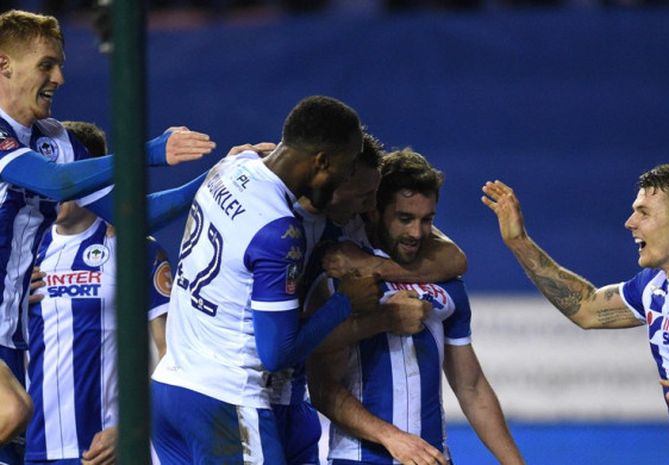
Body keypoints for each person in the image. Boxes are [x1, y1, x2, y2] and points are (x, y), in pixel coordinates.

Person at [0, 9, 214, 453]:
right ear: (4, 65)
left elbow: (131, 214)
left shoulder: (54, 140)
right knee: (13, 412)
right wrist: (149, 152)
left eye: (60, 64)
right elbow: (55, 184)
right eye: (46, 64)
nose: (59, 77)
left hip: (9, 332)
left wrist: (213, 182)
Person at [150, 95, 381, 465]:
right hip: (226, 399)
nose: (348, 176)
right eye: (347, 167)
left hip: (173, 390)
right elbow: (276, 353)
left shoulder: (234, 165)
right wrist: (345, 303)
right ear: (321, 161)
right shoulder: (278, 228)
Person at [307, 149, 524, 465]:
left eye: (427, 220)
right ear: (373, 211)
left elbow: (472, 387)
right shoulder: (341, 277)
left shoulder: (445, 282)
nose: (416, 233)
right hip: (359, 459)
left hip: (433, 458)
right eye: (404, 218)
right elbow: (324, 388)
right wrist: (393, 439)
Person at [480, 162, 669, 465]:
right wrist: (519, 243)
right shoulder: (653, 287)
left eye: (644, 212)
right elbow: (586, 308)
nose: (630, 222)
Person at [273, 133, 468, 465]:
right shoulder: (289, 221)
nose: (365, 207)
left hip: (291, 402)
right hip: (254, 393)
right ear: (330, 179)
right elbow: (285, 348)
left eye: (371, 197)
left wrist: (374, 266)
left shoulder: (358, 240)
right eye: (362, 195)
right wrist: (383, 319)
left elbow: (455, 258)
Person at [23, 121, 171, 465]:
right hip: (31, 448)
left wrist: (135, 426)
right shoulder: (23, 250)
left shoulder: (134, 249)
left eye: (65, 175)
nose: (51, 188)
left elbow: (172, 353)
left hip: (106, 449)